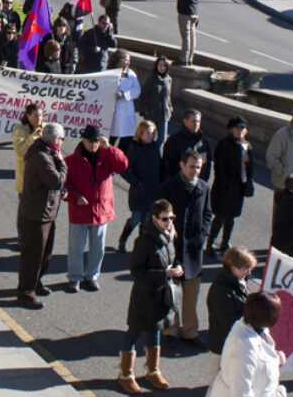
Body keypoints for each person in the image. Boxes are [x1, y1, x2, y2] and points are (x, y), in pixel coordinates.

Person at [117, 198, 181, 394]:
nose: (168, 222)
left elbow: (171, 261)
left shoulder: (170, 238)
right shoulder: (144, 241)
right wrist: (164, 274)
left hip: (161, 297)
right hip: (144, 297)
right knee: (134, 333)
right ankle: (125, 374)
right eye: (164, 218)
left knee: (155, 332)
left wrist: (177, 269)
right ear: (153, 218)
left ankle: (153, 371)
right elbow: (136, 271)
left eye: (171, 218)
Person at [201, 292, 287, 397]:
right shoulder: (245, 346)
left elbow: (259, 360)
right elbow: (241, 391)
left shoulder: (254, 328)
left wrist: (275, 358)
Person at [155, 149, 213, 346]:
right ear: (182, 165)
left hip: (193, 250)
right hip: (173, 247)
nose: (195, 171)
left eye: (198, 167)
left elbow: (207, 213)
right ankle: (170, 330)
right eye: (191, 167)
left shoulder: (204, 187)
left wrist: (203, 234)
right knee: (172, 292)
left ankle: (190, 331)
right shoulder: (168, 187)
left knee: (191, 294)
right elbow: (156, 215)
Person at [63, 125, 128, 292]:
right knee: (76, 248)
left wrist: (110, 148)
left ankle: (92, 276)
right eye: (90, 141)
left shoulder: (107, 157)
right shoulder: (70, 161)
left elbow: (122, 165)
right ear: (83, 140)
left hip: (101, 211)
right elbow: (64, 185)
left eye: (96, 141)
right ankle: (75, 277)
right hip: (80, 211)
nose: (93, 145)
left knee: (97, 248)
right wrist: (75, 196)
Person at [199, 245, 258, 397]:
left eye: (249, 269)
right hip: (221, 345)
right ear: (232, 266)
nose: (247, 272)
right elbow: (227, 320)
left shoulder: (236, 282)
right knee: (216, 383)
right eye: (244, 269)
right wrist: (251, 315)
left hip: (229, 344)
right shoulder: (221, 289)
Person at [16, 122, 67, 309]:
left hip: (46, 213)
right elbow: (56, 180)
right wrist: (62, 163)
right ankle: (25, 293)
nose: (62, 142)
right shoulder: (41, 156)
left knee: (45, 255)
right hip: (36, 214)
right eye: (62, 139)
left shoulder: (48, 153)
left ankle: (35, 283)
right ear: (55, 139)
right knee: (33, 256)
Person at [208, 116, 254, 257]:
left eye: (242, 129)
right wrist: (226, 184)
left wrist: (247, 162)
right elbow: (219, 167)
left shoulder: (246, 146)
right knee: (220, 216)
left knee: (231, 217)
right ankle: (210, 243)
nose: (240, 131)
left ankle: (225, 242)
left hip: (239, 186)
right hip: (225, 187)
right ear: (231, 129)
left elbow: (250, 169)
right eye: (237, 128)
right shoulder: (223, 144)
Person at [119, 120, 160, 253]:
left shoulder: (155, 148)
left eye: (152, 133)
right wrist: (136, 182)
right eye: (148, 133)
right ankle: (123, 239)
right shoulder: (134, 149)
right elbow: (125, 170)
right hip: (139, 191)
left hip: (152, 189)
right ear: (140, 134)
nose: (150, 136)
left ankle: (141, 246)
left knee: (147, 220)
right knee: (136, 218)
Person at [160, 108, 213, 184]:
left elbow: (207, 163)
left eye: (198, 121)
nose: (196, 124)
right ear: (185, 121)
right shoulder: (174, 141)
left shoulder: (203, 142)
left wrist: (203, 182)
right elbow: (166, 165)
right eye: (193, 121)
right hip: (177, 184)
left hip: (197, 184)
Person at [170, 0, 204, 65]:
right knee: (192, 36)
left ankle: (183, 59)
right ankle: (190, 58)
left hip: (185, 13)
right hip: (194, 12)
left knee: (185, 36)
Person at [138, 55, 173, 150]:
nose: (162, 68)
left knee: (162, 138)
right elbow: (143, 94)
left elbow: (168, 96)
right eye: (160, 65)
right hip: (151, 113)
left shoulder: (168, 79)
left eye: (164, 66)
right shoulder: (151, 78)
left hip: (163, 113)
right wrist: (144, 109)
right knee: (149, 137)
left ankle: (154, 153)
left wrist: (170, 108)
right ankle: (146, 153)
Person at [108, 50, 141, 152]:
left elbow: (137, 90)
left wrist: (124, 94)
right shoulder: (108, 72)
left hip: (126, 113)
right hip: (112, 113)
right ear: (118, 60)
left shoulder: (131, 74)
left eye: (129, 61)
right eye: (125, 61)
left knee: (126, 142)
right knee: (110, 141)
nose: (128, 63)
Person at [12, 103, 44, 196]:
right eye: (36, 116)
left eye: (40, 115)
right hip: (26, 178)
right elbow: (20, 150)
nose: (39, 118)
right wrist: (34, 136)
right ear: (28, 116)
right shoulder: (19, 130)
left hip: (42, 178)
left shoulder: (44, 128)